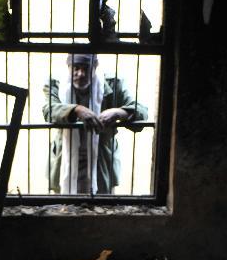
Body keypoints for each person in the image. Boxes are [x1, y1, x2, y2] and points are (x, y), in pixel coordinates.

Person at [43, 54, 148, 194]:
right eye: (76, 68)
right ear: (68, 67)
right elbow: (48, 110)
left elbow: (141, 112)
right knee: (67, 206)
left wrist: (119, 112)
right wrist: (76, 110)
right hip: (65, 158)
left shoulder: (112, 84)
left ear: (95, 67)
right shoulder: (56, 84)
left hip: (101, 159)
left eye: (86, 68)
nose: (80, 74)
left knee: (102, 205)